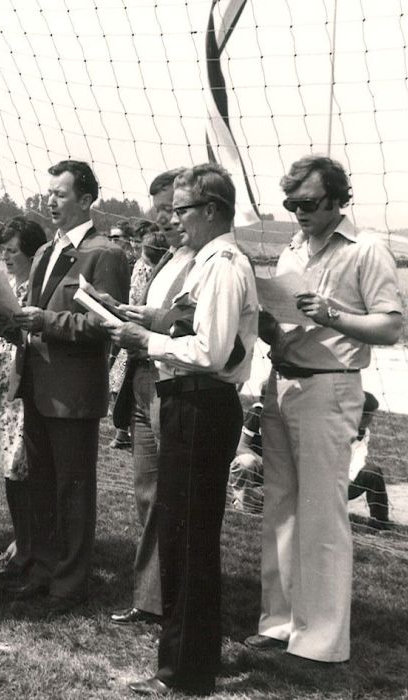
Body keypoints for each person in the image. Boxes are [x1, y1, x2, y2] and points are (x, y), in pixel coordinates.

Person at [246, 155, 404, 663]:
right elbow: (292, 322)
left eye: (308, 204)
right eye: (291, 204)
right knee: (281, 510)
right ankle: (279, 622)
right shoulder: (294, 249)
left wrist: (333, 314)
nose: (298, 213)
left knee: (321, 515)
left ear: (338, 199)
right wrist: (269, 325)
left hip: (330, 388)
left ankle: (321, 641)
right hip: (282, 383)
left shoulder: (367, 249)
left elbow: (390, 327)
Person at [112, 163, 258, 696]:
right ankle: (184, 660)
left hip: (201, 404)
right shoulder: (202, 263)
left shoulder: (222, 265)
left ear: (212, 211)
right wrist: (145, 320)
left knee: (190, 542)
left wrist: (144, 341)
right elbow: (186, 324)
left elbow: (211, 351)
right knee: (181, 539)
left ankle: (186, 672)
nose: (174, 219)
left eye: (182, 209)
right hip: (185, 403)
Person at [7, 160, 128, 611]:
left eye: (60, 194)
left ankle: (70, 583)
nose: (50, 202)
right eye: (48, 194)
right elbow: (36, 315)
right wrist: (12, 322)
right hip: (37, 386)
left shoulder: (105, 254)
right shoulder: (44, 253)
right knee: (40, 484)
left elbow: (104, 322)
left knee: (72, 491)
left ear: (85, 199)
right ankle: (41, 569)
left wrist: (47, 321)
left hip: (73, 393)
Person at [107, 168, 185, 628]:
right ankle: (152, 596)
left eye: (172, 209)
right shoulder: (164, 258)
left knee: (174, 493)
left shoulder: (208, 260)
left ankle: (175, 594)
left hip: (171, 382)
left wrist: (149, 324)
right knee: (147, 492)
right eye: (158, 210)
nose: (163, 219)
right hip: (142, 378)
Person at [0, 216, 47, 576]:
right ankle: (20, 536)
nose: (6, 257)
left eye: (13, 250)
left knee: (23, 466)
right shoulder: (5, 285)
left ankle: (31, 543)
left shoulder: (34, 287)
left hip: (22, 381)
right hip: (1, 377)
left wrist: (10, 327)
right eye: (2, 250)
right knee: (10, 467)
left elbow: (32, 336)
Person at [228, 390, 390, 528]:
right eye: (371, 416)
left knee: (373, 472)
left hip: (342, 482)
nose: (372, 420)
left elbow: (358, 459)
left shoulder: (363, 432)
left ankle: (380, 522)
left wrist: (345, 480)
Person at [108, 220, 169, 451]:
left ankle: (125, 432)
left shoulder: (146, 269)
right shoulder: (139, 266)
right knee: (119, 382)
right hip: (133, 327)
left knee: (122, 381)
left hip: (141, 332)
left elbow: (137, 300)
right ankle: (123, 431)